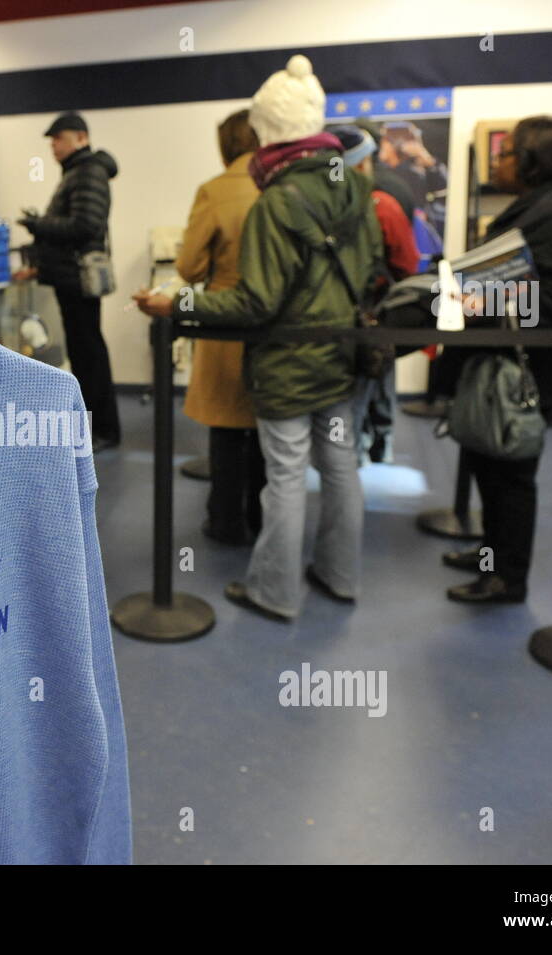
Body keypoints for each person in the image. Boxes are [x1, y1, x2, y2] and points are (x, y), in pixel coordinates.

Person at [136, 55, 383, 621]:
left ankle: (275, 592)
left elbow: (256, 303)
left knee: (287, 475)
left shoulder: (278, 199)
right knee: (342, 467)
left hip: (288, 361)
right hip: (341, 354)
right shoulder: (354, 189)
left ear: (269, 131)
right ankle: (341, 575)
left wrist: (177, 301)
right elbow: (370, 273)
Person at [442, 116, 552, 603]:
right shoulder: (538, 208)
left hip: (525, 371)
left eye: (506, 153)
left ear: (533, 160)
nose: (498, 162)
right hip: (503, 364)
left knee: (511, 477)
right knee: (489, 464)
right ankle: (491, 556)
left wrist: (487, 294)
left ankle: (507, 577)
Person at [176, 110, 264, 545]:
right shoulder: (280, 187)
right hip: (273, 323)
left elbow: (189, 267)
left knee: (227, 429)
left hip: (223, 318)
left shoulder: (215, 191)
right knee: (268, 429)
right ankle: (261, 517)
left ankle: (226, 521)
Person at [19, 112, 122, 451]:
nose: (53, 146)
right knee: (86, 351)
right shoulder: (80, 172)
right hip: (72, 278)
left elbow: (84, 226)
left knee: (88, 353)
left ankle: (102, 430)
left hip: (76, 279)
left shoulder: (87, 172)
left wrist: (39, 225)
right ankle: (97, 428)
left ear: (80, 137)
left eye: (58, 138)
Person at [329, 124, 419, 464]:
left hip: (324, 325)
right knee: (369, 385)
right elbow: (406, 265)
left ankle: (345, 453)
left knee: (339, 408)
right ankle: (373, 443)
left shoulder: (312, 204)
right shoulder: (385, 201)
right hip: (372, 316)